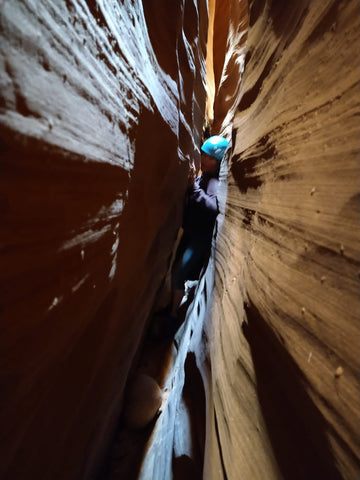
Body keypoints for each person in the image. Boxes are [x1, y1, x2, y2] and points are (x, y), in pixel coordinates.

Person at [153, 135, 229, 338]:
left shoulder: (212, 181)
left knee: (180, 272)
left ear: (218, 161)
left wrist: (193, 188)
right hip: (190, 233)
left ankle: (171, 317)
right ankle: (171, 306)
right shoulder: (204, 176)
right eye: (204, 155)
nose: (204, 160)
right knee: (177, 268)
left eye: (210, 158)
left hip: (199, 239)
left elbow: (213, 207)